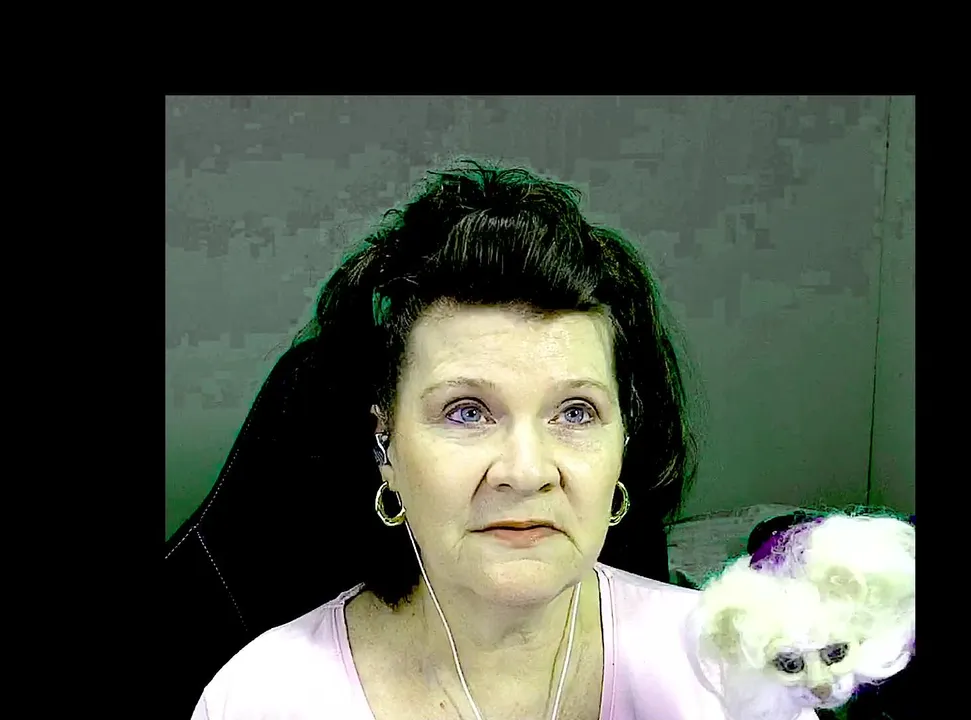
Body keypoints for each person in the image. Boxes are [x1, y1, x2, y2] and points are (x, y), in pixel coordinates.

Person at [190, 160, 814, 719]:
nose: (527, 470)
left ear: (624, 441)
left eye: (575, 412)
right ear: (386, 446)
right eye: (467, 412)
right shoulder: (261, 697)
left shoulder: (724, 670)